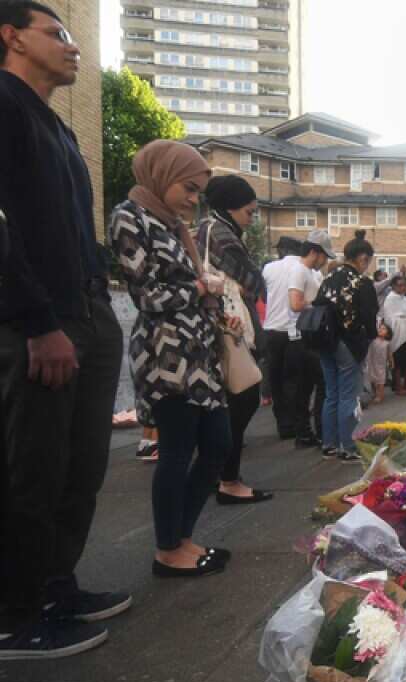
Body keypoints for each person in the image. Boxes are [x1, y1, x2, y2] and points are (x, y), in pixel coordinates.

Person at [0, 0, 130, 659]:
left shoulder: (52, 126)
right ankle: (12, 614)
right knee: (32, 465)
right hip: (38, 320)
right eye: (56, 32)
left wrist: (96, 307)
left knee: (79, 463)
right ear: (11, 36)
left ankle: (54, 584)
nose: (73, 45)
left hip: (84, 310)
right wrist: (36, 320)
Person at [110, 140, 231, 579]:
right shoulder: (130, 215)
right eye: (189, 188)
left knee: (218, 444)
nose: (193, 199)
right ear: (162, 176)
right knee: (177, 451)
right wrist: (202, 290)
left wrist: (211, 299)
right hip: (165, 354)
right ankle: (168, 548)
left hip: (200, 351)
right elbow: (145, 294)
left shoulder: (175, 224)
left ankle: (182, 536)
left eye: (198, 191)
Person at [197, 174, 273, 505]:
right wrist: (245, 284)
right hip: (227, 327)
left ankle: (225, 476)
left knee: (234, 402)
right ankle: (227, 479)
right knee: (242, 397)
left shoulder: (206, 228)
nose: (251, 218)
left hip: (218, 326)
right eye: (249, 211)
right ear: (230, 207)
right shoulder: (219, 232)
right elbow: (252, 278)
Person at [313, 237, 378, 462]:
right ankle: (348, 446)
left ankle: (329, 444)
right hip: (349, 343)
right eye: (367, 261)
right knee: (349, 396)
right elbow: (369, 317)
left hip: (324, 341)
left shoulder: (329, 277)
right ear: (362, 258)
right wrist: (370, 336)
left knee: (332, 394)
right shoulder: (361, 282)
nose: (367, 265)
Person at [261, 234, 329, 442]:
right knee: (296, 380)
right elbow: (306, 301)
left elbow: (263, 295)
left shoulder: (269, 268)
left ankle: (285, 425)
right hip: (296, 332)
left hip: (272, 329)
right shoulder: (305, 271)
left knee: (277, 381)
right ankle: (299, 425)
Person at [292, 229, 334, 447]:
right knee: (317, 386)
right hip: (304, 336)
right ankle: (316, 432)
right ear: (315, 252)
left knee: (310, 387)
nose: (325, 261)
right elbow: (295, 303)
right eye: (324, 255)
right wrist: (320, 303)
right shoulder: (300, 270)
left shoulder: (311, 272)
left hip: (310, 335)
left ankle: (309, 432)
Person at [379, 275, 406, 394]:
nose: (403, 287)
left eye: (404, 285)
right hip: (397, 333)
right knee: (398, 363)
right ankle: (398, 387)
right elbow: (389, 317)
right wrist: (403, 318)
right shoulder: (390, 298)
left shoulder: (404, 298)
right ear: (393, 286)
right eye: (400, 285)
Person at [366, 323, 392, 404]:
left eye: (384, 329)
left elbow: (389, 354)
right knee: (372, 379)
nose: (380, 329)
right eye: (380, 328)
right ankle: (375, 393)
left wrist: (391, 362)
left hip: (381, 364)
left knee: (380, 380)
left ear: (388, 334)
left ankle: (380, 395)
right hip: (372, 363)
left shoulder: (387, 343)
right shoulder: (373, 340)